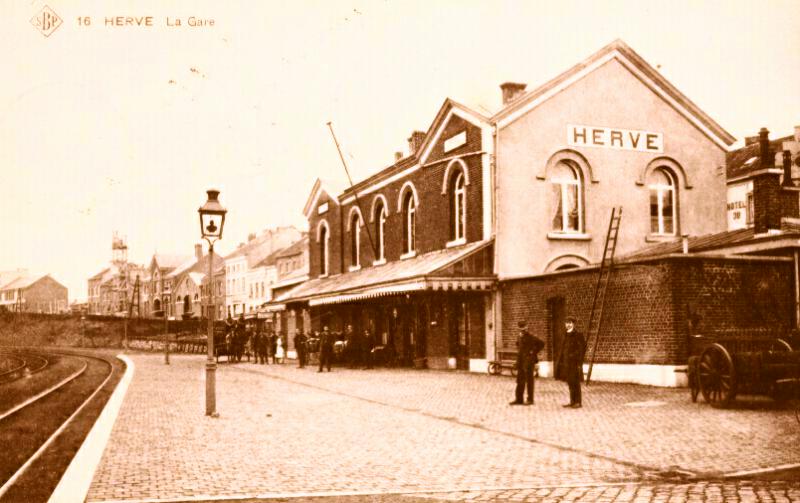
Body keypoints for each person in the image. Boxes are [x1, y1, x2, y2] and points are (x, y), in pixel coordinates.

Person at [510, 320, 544, 406]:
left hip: (529, 361)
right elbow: (519, 347)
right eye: (521, 328)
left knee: (529, 381)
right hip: (521, 361)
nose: (523, 330)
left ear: (527, 327)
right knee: (520, 380)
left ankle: (530, 399)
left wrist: (533, 352)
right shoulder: (519, 337)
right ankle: (519, 399)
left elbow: (541, 343)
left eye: (524, 328)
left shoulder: (530, 337)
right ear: (519, 328)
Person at [556, 316, 586, 408]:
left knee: (575, 382)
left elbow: (582, 348)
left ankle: (578, 402)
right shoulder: (565, 334)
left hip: (574, 363)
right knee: (570, 382)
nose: (568, 325)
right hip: (566, 363)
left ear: (573, 324)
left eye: (570, 323)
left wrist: (576, 358)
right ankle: (572, 401)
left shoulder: (578, 334)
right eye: (567, 323)